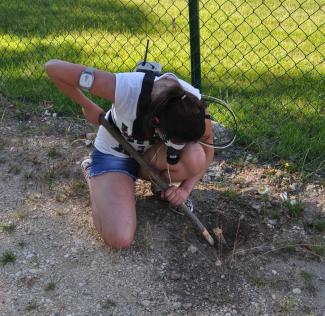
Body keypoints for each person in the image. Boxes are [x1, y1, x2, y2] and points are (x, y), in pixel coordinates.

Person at [44, 60, 214, 249]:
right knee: (119, 238)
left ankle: (158, 185)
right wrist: (87, 105)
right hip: (115, 154)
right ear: (156, 121)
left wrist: (184, 190)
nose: (180, 146)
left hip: (150, 157)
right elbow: (54, 68)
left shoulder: (192, 104)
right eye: (176, 141)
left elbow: (208, 150)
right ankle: (94, 174)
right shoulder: (126, 88)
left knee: (195, 156)